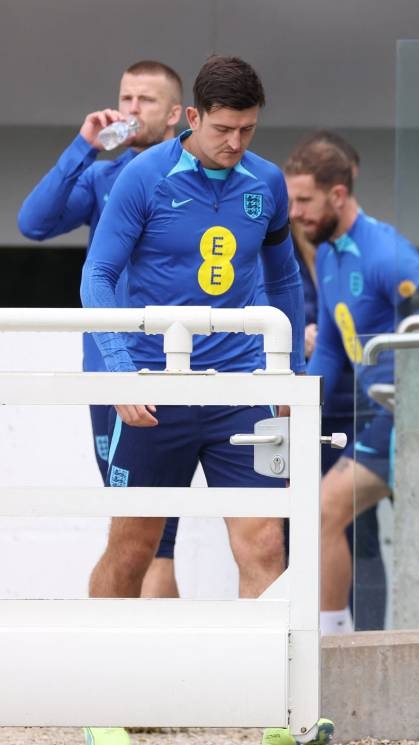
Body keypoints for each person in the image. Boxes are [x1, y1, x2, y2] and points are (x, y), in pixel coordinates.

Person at [79, 55, 310, 745]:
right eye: (224, 130)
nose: (236, 143)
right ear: (192, 118)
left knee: (266, 539)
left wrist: (289, 369)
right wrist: (120, 370)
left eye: (248, 130)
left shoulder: (265, 183)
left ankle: (269, 703)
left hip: (241, 385)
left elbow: (286, 282)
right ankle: (101, 701)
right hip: (155, 387)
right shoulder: (141, 178)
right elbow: (98, 274)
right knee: (134, 544)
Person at [17, 59, 184, 599]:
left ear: (177, 114)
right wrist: (84, 144)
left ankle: (153, 666)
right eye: (126, 98)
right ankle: (128, 661)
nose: (133, 110)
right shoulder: (104, 175)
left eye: (147, 101)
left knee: (160, 537)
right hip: (113, 370)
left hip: (185, 365)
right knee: (139, 533)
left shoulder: (194, 177)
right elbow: (34, 223)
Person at [284, 131, 419, 635]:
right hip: (382, 417)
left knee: (332, 514)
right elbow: (331, 346)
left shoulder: (384, 254)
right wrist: (298, 406)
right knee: (326, 514)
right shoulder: (329, 253)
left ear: (337, 195)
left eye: (304, 201)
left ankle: (344, 647)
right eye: (291, 201)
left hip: (417, 420)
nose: (294, 213)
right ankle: (334, 647)